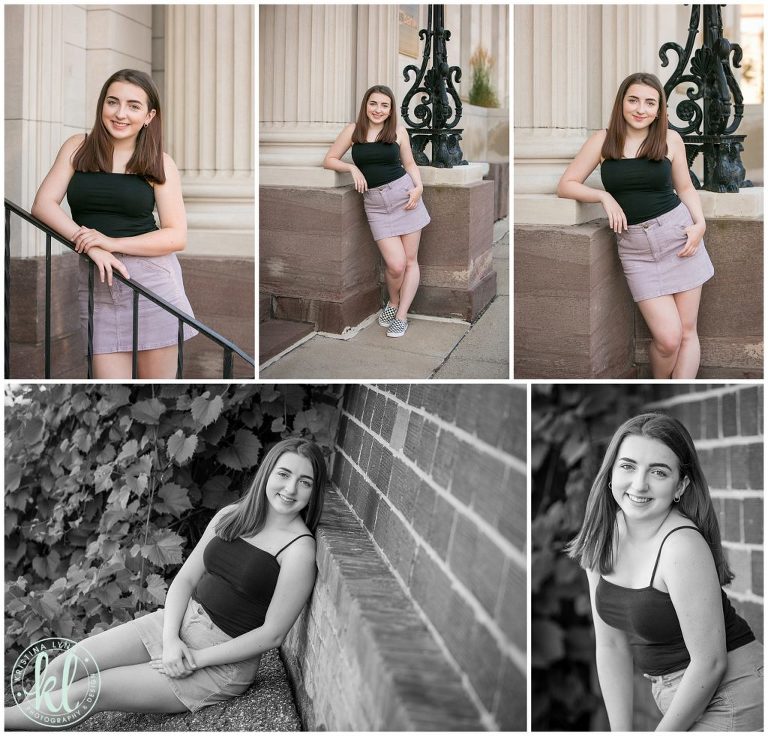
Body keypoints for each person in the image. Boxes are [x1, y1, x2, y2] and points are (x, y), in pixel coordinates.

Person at [5, 438, 326, 729]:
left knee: (87, 693)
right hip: (177, 623)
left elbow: (272, 634)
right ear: (268, 473)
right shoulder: (233, 515)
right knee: (63, 667)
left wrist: (194, 659)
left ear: (314, 491)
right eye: (283, 474)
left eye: (304, 482)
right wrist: (171, 638)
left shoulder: (298, 549)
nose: (290, 489)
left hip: (219, 661)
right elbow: (186, 579)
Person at [567, 413, 763, 731]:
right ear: (610, 473)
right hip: (679, 693)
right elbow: (611, 645)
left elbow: (710, 662)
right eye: (628, 466)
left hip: (733, 692)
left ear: (680, 485)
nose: (639, 484)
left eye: (658, 472)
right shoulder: (600, 536)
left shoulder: (681, 546)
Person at [31, 69, 197, 379]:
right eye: (113, 102)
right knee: (110, 396)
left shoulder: (159, 162)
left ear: (149, 116)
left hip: (151, 283)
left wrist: (110, 243)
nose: (120, 114)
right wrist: (92, 246)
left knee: (154, 393)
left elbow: (176, 236)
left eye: (134, 106)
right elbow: (43, 205)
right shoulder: (77, 147)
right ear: (101, 106)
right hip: (97, 281)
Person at [557, 73, 714, 379]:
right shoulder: (602, 141)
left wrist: (701, 225)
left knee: (686, 333)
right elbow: (566, 185)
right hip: (636, 251)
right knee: (668, 339)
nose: (641, 109)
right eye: (633, 100)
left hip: (680, 238)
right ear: (621, 103)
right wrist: (603, 196)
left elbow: (685, 188)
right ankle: (658, 386)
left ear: (659, 109)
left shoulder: (670, 139)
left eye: (649, 102)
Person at [323, 84, 430, 338]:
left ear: (391, 109)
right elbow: (329, 159)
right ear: (365, 105)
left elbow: (410, 163)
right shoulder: (353, 130)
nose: (378, 110)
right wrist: (352, 168)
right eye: (373, 104)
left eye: (384, 105)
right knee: (395, 265)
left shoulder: (398, 132)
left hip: (405, 198)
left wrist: (419, 188)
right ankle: (392, 301)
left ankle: (401, 315)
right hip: (376, 205)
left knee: (411, 261)